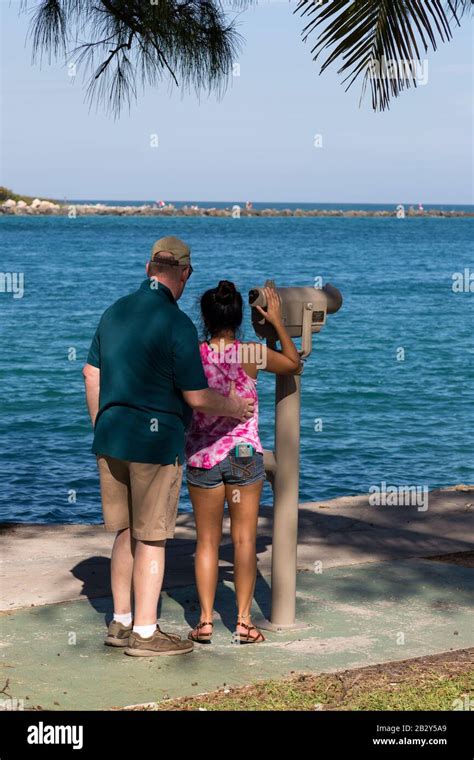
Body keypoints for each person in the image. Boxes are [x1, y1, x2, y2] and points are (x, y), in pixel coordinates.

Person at [82, 238, 255, 657]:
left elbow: (91, 373)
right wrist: (235, 406)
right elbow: (197, 397)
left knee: (125, 531)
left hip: (111, 438)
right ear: (184, 274)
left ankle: (121, 622)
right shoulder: (176, 324)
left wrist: (102, 425)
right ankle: (145, 632)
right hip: (155, 445)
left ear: (148, 269)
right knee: (153, 537)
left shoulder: (114, 312)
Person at [185, 281, 301, 644]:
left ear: (205, 317)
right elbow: (293, 364)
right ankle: (243, 623)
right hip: (244, 457)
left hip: (202, 459)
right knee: (244, 541)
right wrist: (278, 321)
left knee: (206, 542)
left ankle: (204, 623)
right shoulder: (249, 354)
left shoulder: (192, 354)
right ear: (240, 318)